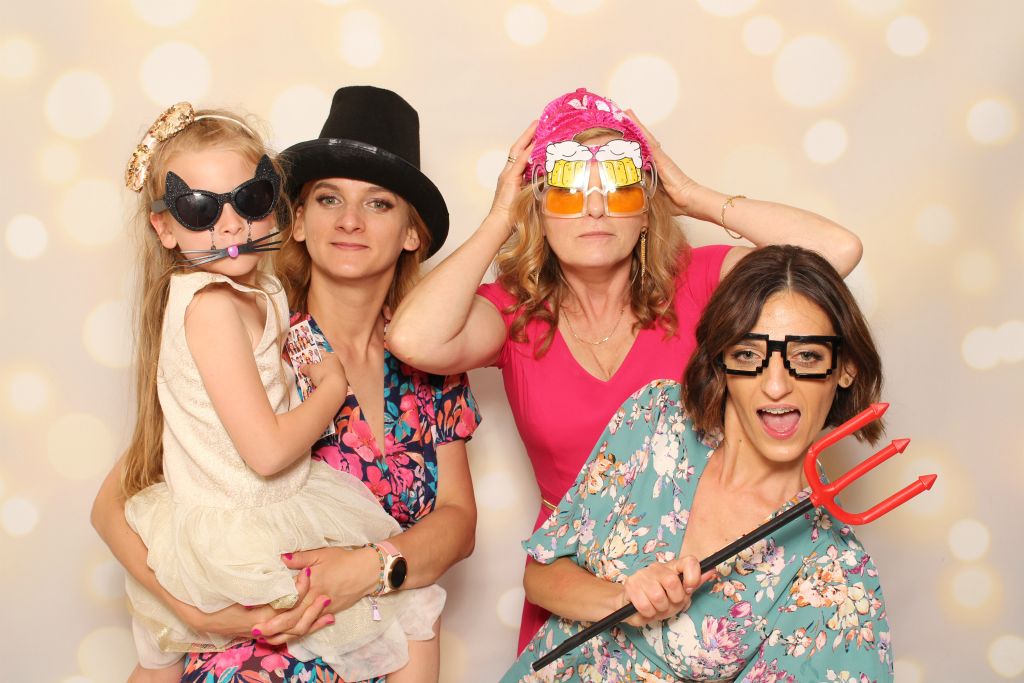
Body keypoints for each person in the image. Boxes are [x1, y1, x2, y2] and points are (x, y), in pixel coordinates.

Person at [387, 87, 865, 650]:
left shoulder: (703, 285)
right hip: (573, 584)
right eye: (568, 192)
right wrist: (500, 218)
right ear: (538, 210)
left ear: (645, 210)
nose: (594, 209)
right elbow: (412, 339)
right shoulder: (516, 312)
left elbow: (835, 253)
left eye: (618, 189)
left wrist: (692, 195)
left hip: (706, 578)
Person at [92, 88, 479, 683]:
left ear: (412, 233)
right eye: (328, 198)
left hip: (374, 646)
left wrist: (370, 569)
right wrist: (194, 613)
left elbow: (457, 523)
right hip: (254, 653)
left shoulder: (431, 364)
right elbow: (116, 505)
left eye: (378, 203)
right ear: (294, 218)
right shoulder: (261, 336)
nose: (350, 221)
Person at [500, 244, 893, 681]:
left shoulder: (838, 576)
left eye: (807, 356)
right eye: (748, 354)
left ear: (845, 368)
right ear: (721, 360)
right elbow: (541, 576)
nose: (776, 386)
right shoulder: (654, 419)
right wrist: (622, 599)